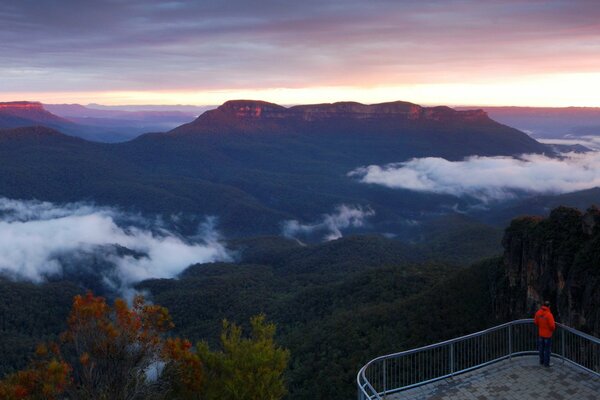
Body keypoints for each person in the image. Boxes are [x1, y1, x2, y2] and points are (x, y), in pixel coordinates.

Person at [534, 300, 556, 367]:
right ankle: (546, 364)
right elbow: (552, 326)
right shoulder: (549, 315)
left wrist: (540, 326)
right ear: (549, 306)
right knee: (547, 350)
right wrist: (551, 330)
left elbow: (535, 322)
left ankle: (541, 361)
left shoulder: (538, 313)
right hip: (547, 335)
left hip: (541, 334)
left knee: (541, 348)